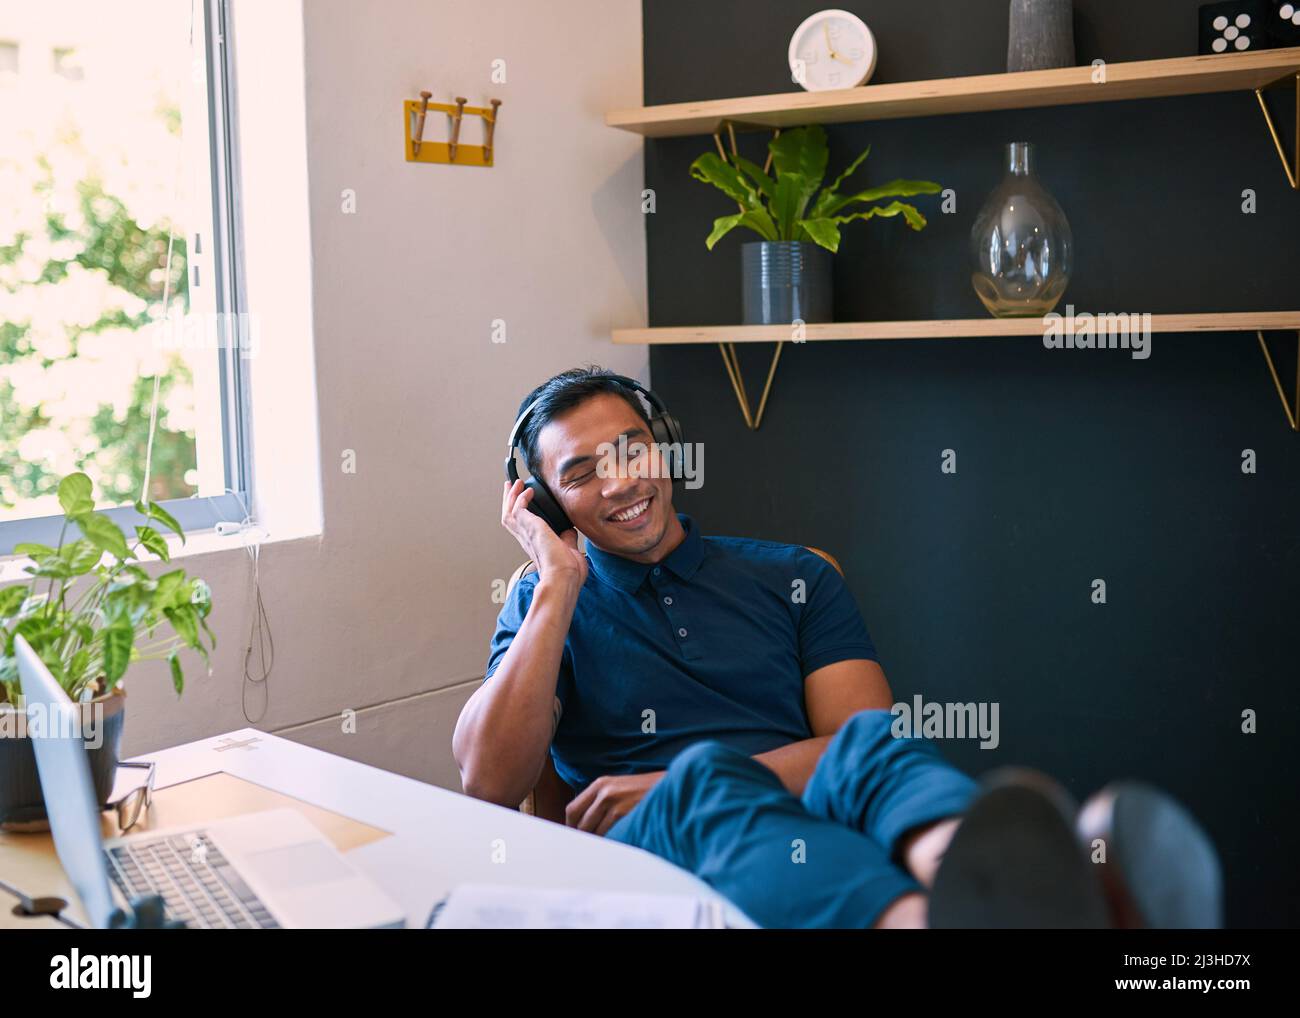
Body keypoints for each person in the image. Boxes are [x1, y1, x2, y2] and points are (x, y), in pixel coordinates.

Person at [452, 367, 1221, 929]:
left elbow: (860, 741)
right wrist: (555, 583)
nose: (620, 482)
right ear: (549, 505)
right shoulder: (544, 603)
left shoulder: (793, 575)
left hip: (801, 814)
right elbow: (488, 782)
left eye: (632, 449)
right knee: (703, 781)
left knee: (868, 743)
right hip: (658, 840)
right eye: (582, 473)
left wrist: (710, 772)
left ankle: (986, 883)